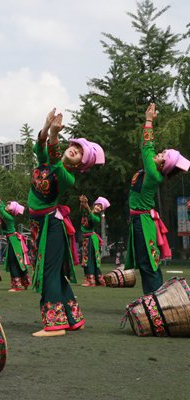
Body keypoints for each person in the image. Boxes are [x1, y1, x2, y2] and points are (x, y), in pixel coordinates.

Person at [27, 109, 104, 337]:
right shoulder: (46, 164)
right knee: (55, 274)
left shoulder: (66, 176)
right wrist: (46, 126)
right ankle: (72, 318)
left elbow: (53, 159)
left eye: (80, 152)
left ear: (80, 164)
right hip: (41, 225)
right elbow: (39, 148)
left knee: (49, 273)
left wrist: (53, 136)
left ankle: (55, 325)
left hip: (52, 225)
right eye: (76, 146)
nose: (75, 150)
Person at [125, 103, 190, 294]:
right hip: (141, 220)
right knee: (148, 261)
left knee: (147, 262)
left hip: (143, 222)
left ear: (163, 165)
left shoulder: (153, 173)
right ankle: (156, 297)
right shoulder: (153, 170)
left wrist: (148, 120)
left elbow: (146, 147)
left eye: (162, 155)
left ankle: (154, 300)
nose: (157, 154)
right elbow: (149, 149)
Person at [0, 187, 32, 291]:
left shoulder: (8, 217)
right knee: (18, 261)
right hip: (13, 240)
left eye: (9, 205)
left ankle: (16, 285)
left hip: (13, 241)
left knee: (13, 261)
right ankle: (25, 281)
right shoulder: (8, 214)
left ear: (12, 210)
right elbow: (1, 204)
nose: (7, 205)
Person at [79, 195, 110, 287]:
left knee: (88, 260)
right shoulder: (86, 212)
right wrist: (82, 202)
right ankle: (96, 279)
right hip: (87, 239)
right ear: (94, 204)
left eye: (101, 207)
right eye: (97, 205)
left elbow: (90, 215)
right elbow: (82, 210)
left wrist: (87, 205)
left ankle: (91, 281)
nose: (98, 208)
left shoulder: (97, 218)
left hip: (91, 239)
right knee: (88, 259)